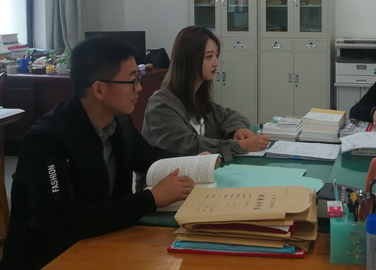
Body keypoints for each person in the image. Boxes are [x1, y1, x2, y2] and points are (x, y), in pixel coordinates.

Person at [0, 37, 195, 270]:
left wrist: (196, 163)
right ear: (99, 89)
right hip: (51, 258)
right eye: (132, 80)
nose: (139, 88)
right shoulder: (46, 141)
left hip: (106, 241)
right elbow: (64, 223)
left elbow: (149, 157)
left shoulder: (118, 122)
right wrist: (151, 198)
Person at [142, 26, 269, 160]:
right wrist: (240, 145)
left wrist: (237, 129)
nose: (215, 63)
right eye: (209, 57)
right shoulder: (161, 105)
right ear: (189, 59)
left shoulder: (197, 99)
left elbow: (231, 116)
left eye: (216, 55)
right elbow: (189, 146)